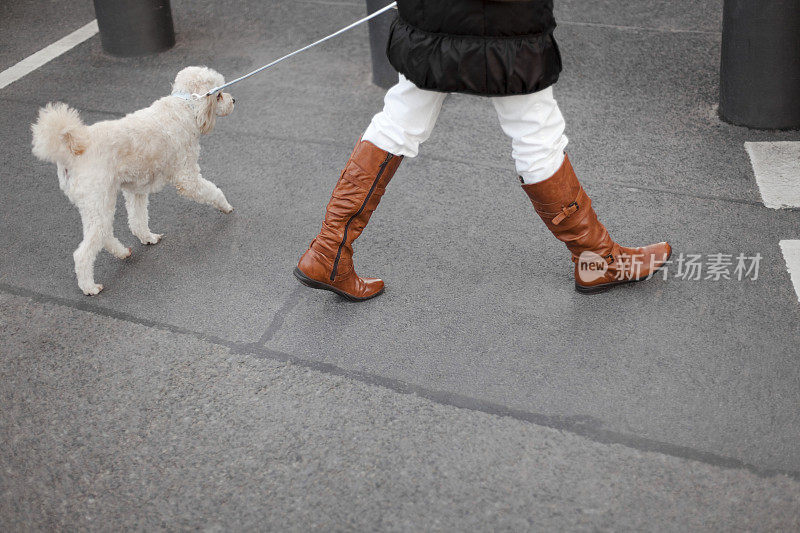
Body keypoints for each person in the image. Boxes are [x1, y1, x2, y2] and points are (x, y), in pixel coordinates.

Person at [293, 0, 671, 301]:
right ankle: (597, 259)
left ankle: (328, 251)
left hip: (433, 13)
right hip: (503, 21)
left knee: (399, 118)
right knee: (536, 130)